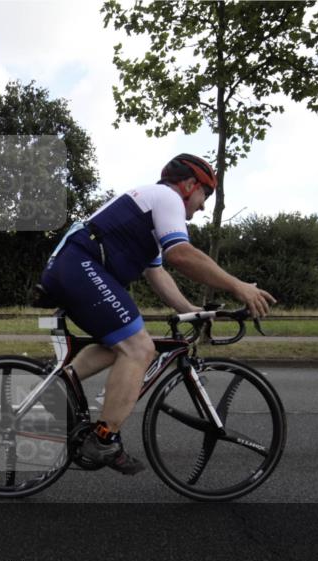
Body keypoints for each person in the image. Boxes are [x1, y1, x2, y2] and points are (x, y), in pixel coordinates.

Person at [39, 153, 276, 474]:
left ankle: (58, 385)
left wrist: (192, 312)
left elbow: (159, 274)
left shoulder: (150, 215)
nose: (204, 205)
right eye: (205, 195)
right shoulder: (167, 197)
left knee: (121, 345)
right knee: (140, 348)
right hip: (79, 266)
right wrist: (238, 287)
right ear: (190, 185)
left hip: (73, 266)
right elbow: (181, 254)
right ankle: (104, 439)